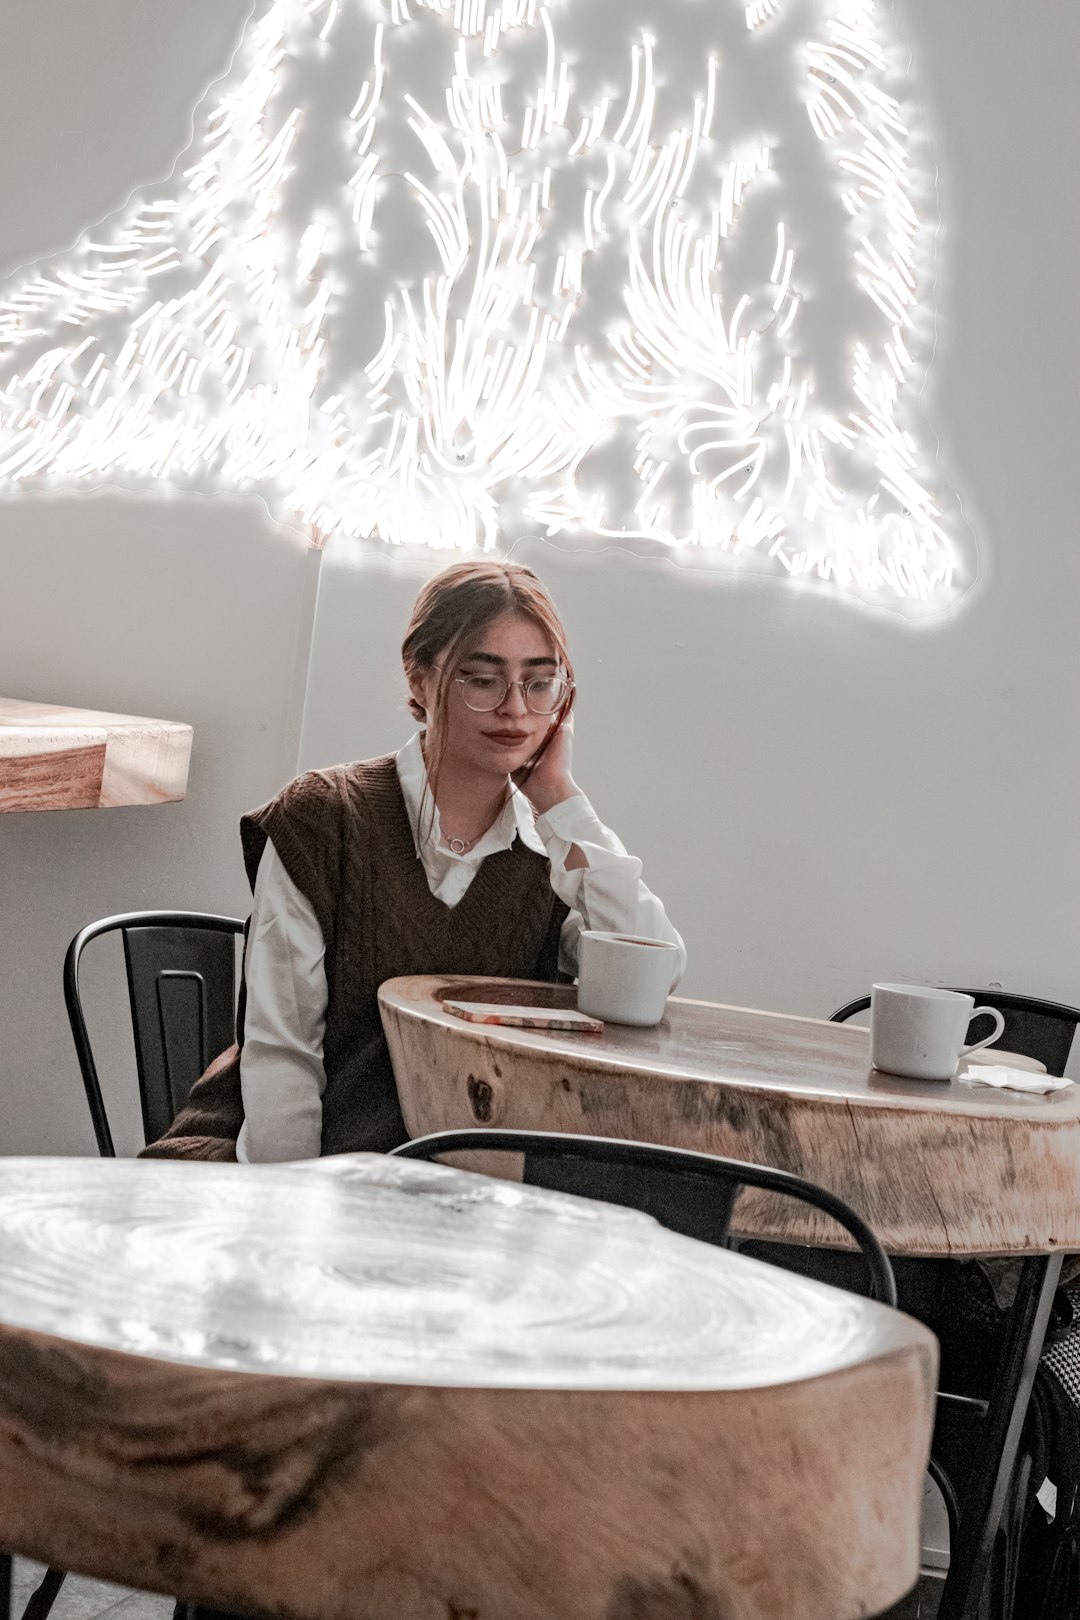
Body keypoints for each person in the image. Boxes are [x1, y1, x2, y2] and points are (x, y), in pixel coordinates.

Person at [143, 559, 685, 1162]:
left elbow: (654, 975)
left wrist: (561, 799)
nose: (515, 708)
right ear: (421, 679)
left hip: (462, 1177)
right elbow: (283, 1055)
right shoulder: (324, 818)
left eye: (539, 683)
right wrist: (293, 1200)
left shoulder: (555, 850)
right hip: (283, 1164)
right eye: (483, 679)